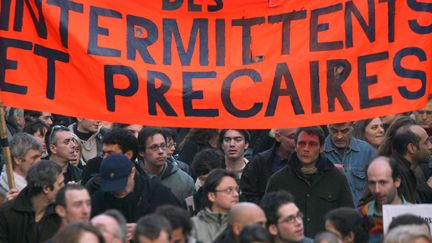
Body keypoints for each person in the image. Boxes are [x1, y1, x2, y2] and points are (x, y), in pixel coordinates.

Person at [266, 126, 354, 237]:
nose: (306, 149)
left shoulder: (337, 178)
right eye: (301, 143)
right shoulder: (278, 180)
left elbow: (349, 217)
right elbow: (268, 219)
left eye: (312, 144)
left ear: (321, 147)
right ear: (296, 146)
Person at [91, 154, 180, 222]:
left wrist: (145, 229)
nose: (117, 190)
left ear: (132, 172)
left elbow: (178, 222)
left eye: (121, 184)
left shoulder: (157, 193)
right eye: (111, 185)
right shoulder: (99, 198)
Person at [0, 160, 64, 243]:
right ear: (46, 189)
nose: (64, 187)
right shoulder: (7, 213)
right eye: (60, 184)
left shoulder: (61, 213)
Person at [357, 156, 409, 242]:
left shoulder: (416, 214)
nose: (377, 190)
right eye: (372, 183)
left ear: (397, 181)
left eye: (383, 182)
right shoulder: (359, 216)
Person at [137, 127, 194, 203]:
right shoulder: (132, 178)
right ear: (141, 152)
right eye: (154, 147)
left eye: (163, 146)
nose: (161, 151)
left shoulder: (185, 181)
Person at [324, 122, 376, 205]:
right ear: (328, 127)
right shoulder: (319, 152)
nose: (339, 136)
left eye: (344, 131)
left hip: (360, 212)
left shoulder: (366, 151)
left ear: (353, 127)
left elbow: (375, 187)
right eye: (334, 131)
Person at [241, 128, 297, 204]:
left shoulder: (308, 162)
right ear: (278, 137)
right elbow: (248, 195)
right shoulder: (259, 162)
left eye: (300, 137)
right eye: (292, 137)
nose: (298, 142)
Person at [81, 128, 139, 193]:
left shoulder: (147, 186)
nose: (105, 158)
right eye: (103, 153)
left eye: (110, 153)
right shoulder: (93, 183)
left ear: (128, 155)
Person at [191, 169, 239, 243]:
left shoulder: (243, 223)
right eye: (229, 190)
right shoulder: (193, 226)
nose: (236, 194)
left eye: (236, 189)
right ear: (212, 196)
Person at [390, 123, 432, 203]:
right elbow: (406, 207)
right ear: (412, 148)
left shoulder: (405, 169)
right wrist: (428, 188)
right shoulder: (395, 172)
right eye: (426, 143)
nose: (431, 146)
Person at [0, 133, 42, 201]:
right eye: (34, 157)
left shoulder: (40, 179)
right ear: (18, 160)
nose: (39, 161)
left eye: (40, 156)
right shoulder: (4, 188)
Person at [187, 148, 224, 214]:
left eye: (211, 178)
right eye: (203, 179)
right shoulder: (190, 204)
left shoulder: (234, 199)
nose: (208, 183)